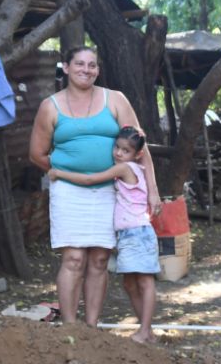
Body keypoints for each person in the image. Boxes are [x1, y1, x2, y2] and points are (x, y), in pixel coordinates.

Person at [29, 46, 161, 326]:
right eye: (79, 64)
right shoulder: (50, 106)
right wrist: (61, 173)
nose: (85, 70)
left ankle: (91, 327)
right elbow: (37, 154)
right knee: (74, 258)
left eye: (92, 65)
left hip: (109, 190)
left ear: (98, 70)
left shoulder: (115, 99)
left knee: (100, 259)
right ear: (66, 67)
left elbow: (141, 146)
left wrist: (153, 190)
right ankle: (70, 326)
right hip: (68, 191)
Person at [49, 126, 158, 343]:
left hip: (137, 233)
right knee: (129, 283)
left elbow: (91, 180)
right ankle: (148, 331)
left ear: (137, 155)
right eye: (116, 147)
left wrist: (59, 173)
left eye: (125, 150)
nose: (118, 153)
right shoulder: (132, 168)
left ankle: (145, 331)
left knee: (144, 281)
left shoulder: (125, 168)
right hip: (129, 234)